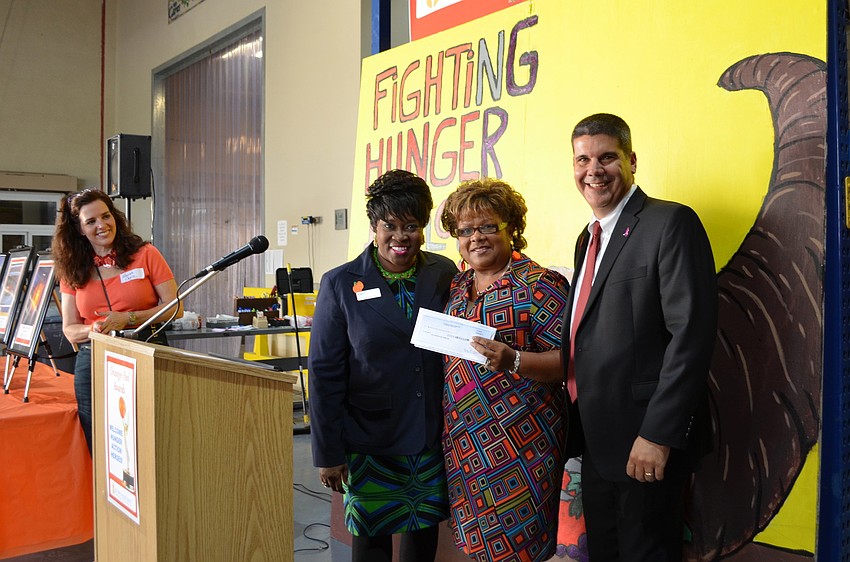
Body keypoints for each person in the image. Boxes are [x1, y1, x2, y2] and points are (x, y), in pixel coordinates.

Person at [564, 113, 717, 561]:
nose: (594, 170)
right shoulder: (587, 238)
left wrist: (658, 434)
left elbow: (691, 334)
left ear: (631, 160)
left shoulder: (669, 223)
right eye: (583, 159)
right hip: (596, 440)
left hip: (645, 442)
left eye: (607, 157)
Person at [309, 169, 457, 562]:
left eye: (411, 226)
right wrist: (327, 450)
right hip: (369, 439)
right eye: (389, 225)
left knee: (422, 540)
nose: (400, 237)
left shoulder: (442, 273)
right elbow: (325, 373)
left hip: (428, 435)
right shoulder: (341, 283)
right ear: (374, 225)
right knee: (371, 542)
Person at [440, 178, 570, 562]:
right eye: (465, 230)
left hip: (522, 447)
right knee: (477, 545)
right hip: (464, 445)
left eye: (487, 227)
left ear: (511, 228)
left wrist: (514, 359)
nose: (475, 237)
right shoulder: (458, 285)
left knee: (521, 548)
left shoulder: (541, 285)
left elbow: (570, 362)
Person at [54, 188, 182, 454]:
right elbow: (70, 329)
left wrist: (129, 318)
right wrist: (95, 328)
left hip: (147, 349)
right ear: (79, 229)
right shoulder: (71, 268)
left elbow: (175, 308)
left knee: (154, 436)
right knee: (101, 441)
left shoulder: (146, 253)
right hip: (94, 360)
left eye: (106, 216)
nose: (102, 225)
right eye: (91, 221)